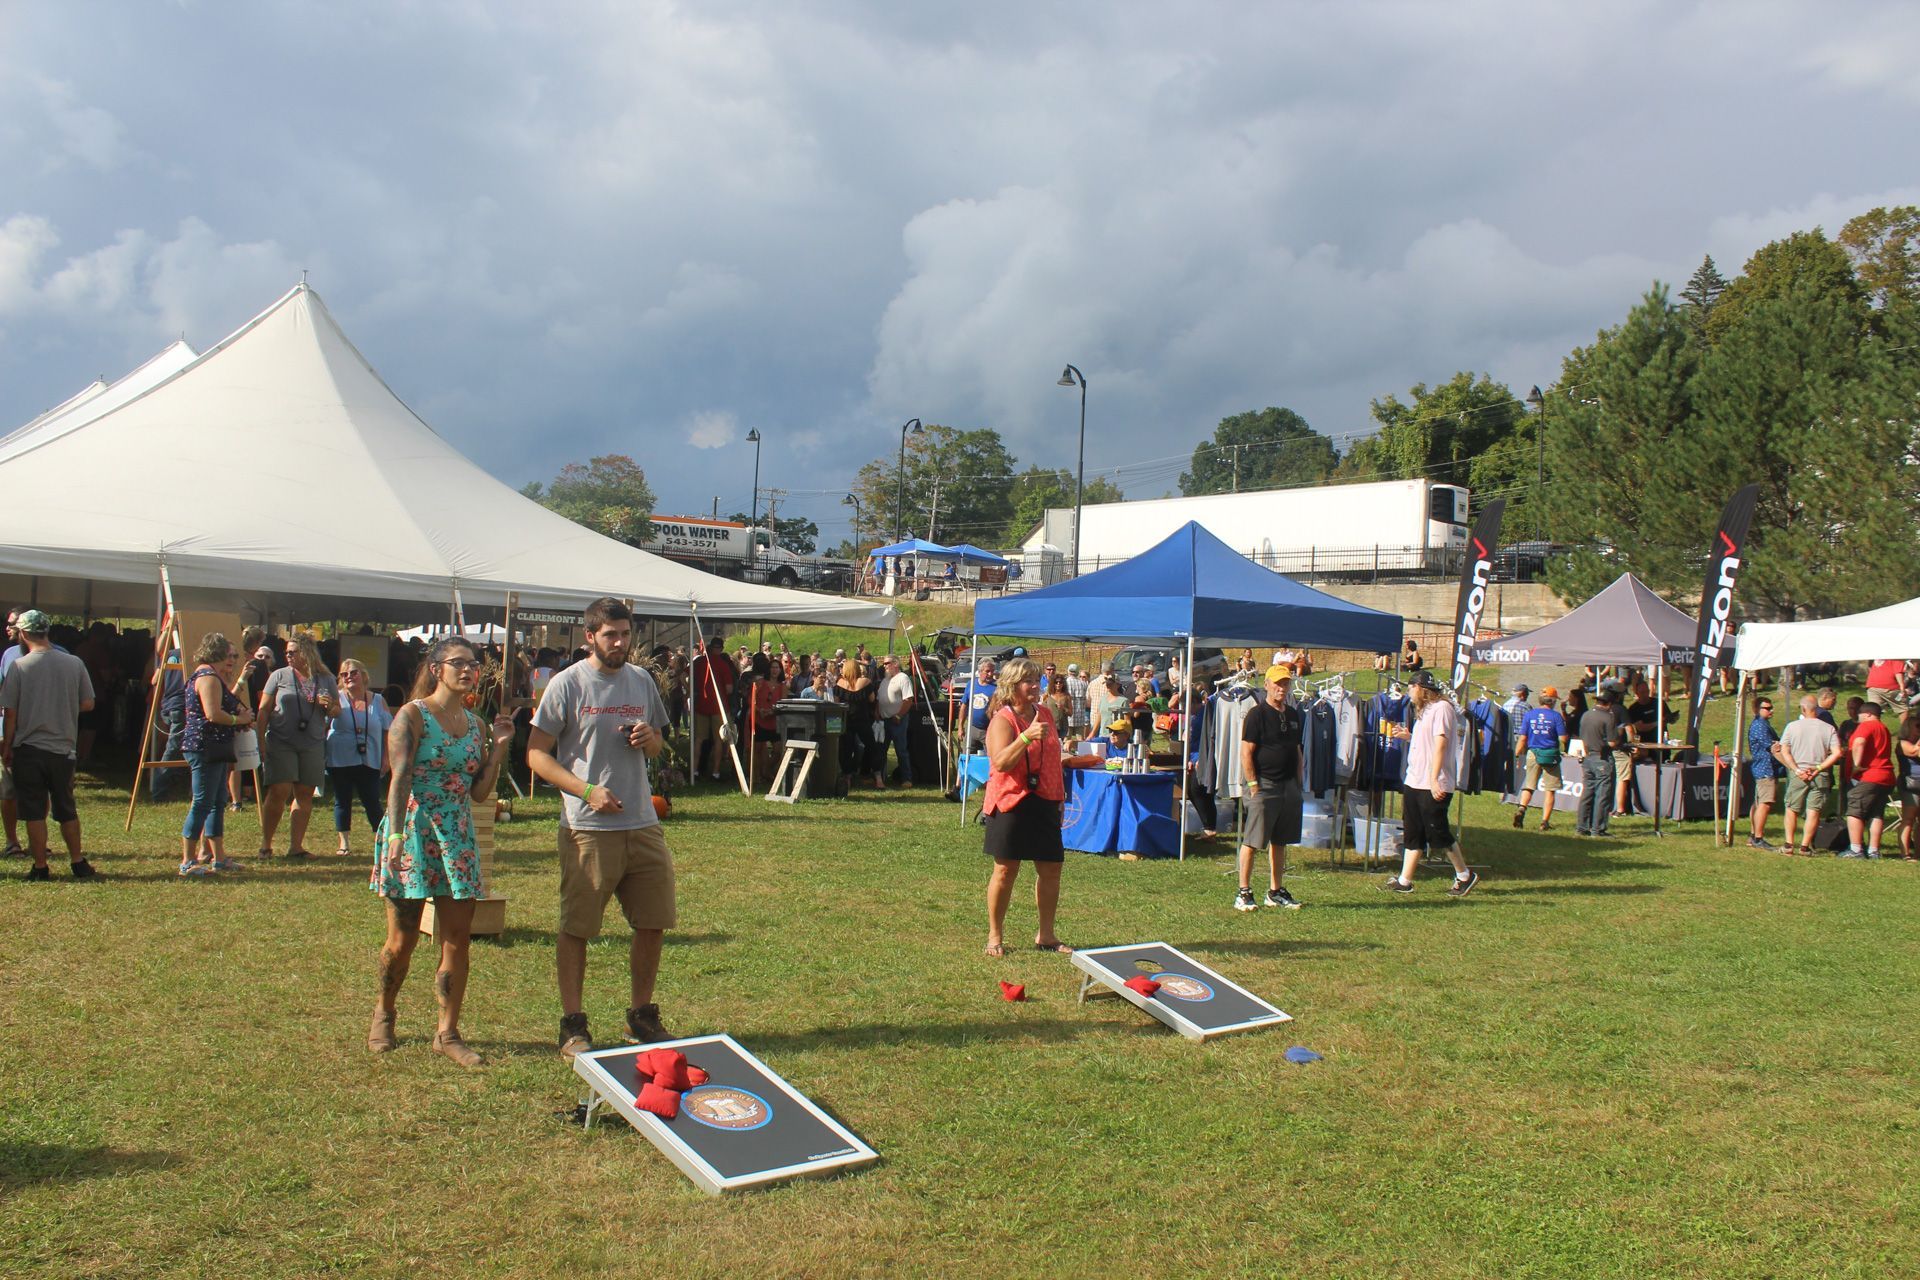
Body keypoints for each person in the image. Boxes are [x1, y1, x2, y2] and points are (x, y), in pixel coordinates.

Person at [526, 598, 676, 1060]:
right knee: (579, 927)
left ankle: (641, 1017)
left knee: (653, 921)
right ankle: (573, 1025)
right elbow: (536, 755)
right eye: (611, 635)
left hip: (642, 823)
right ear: (590, 636)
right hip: (587, 827)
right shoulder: (567, 684)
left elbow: (657, 744)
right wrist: (585, 790)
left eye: (626, 634)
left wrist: (653, 740)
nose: (621, 643)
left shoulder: (641, 680)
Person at [368, 637, 513, 1066]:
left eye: (474, 664)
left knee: (456, 941)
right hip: (412, 830)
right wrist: (394, 837)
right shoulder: (411, 717)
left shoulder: (476, 724)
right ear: (436, 668)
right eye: (458, 663)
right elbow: (399, 779)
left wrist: (500, 746)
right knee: (402, 940)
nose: (468, 671)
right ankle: (385, 1012)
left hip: (457, 836)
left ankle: (447, 1032)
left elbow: (482, 792)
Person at [980, 657, 1070, 958]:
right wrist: (1024, 736)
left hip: (1044, 799)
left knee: (1051, 869)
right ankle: (995, 936)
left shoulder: (1045, 713)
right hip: (1011, 801)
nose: (1035, 685)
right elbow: (1001, 763)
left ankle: (1046, 935)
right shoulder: (1002, 720)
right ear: (1012, 686)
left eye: (1036, 680)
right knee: (1006, 870)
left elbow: (1053, 760)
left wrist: (1059, 798)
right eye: (1028, 681)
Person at [0, 610, 97, 880]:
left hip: (29, 748)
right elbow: (88, 702)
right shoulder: (74, 663)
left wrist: (7, 746)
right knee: (66, 807)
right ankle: (77, 861)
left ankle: (40, 865)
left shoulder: (19, 666)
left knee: (33, 810)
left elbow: (10, 712)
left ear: (24, 634)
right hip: (64, 748)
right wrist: (63, 706)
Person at [1382, 672, 1477, 895]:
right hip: (1415, 779)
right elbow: (1425, 740)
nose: (1408, 692)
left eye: (1410, 687)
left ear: (1421, 688)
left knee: (1438, 832)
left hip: (1432, 782)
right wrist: (1409, 736)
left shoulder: (1443, 708)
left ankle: (1465, 875)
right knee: (1413, 832)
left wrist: (1435, 779)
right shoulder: (1424, 711)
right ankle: (1404, 881)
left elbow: (1441, 743)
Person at [255, 634, 337, 859]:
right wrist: (260, 739)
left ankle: (296, 847)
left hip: (312, 743)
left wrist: (330, 706)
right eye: (287, 652)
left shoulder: (326, 678)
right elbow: (263, 710)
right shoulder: (278, 675)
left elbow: (337, 710)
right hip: (281, 741)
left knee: (304, 793)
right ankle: (266, 843)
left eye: (292, 652)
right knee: (279, 790)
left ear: (307, 652)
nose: (288, 655)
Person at [1233, 664, 1306, 911]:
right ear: (1266, 685)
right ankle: (1244, 892)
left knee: (1281, 841)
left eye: (1285, 683)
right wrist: (1253, 784)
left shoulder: (1294, 715)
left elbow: (1297, 751)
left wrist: (1298, 781)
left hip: (1288, 786)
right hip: (1264, 785)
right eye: (1277, 683)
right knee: (1253, 841)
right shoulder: (1257, 714)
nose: (1281, 688)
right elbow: (1246, 752)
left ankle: (1275, 891)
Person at [179, 633, 252, 876]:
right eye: (229, 655)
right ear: (217, 653)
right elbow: (213, 714)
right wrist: (238, 719)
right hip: (205, 747)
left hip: (215, 747)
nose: (232, 660)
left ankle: (219, 858)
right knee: (202, 802)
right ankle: (188, 861)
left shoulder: (210, 676)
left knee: (217, 801)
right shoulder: (208, 677)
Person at [327, 659, 393, 856]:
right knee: (342, 799)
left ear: (364, 675)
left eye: (353, 672)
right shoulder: (335, 698)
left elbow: (388, 731)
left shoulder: (378, 700)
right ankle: (344, 842)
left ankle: (380, 839)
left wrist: (387, 758)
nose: (348, 677)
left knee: (372, 799)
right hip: (340, 758)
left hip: (369, 758)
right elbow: (324, 722)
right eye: (344, 674)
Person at [1776, 695, 1842, 856]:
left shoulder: (1792, 727)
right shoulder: (1828, 728)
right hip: (1819, 774)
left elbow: (1784, 750)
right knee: (1814, 810)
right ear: (1817, 710)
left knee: (1791, 808)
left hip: (1799, 773)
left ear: (1803, 709)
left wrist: (1796, 769)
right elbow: (1837, 753)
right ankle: (1805, 846)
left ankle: (1789, 844)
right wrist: (1819, 767)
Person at [1843, 698, 1895, 858]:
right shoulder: (1884, 728)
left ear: (1868, 714)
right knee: (1876, 814)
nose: (1857, 716)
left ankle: (1856, 849)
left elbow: (1859, 743)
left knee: (1855, 811)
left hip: (1869, 775)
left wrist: (1856, 765)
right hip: (1886, 776)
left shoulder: (1867, 725)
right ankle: (1874, 850)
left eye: (1860, 713)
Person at [1511, 689, 1568, 832]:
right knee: (1550, 790)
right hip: (1550, 755)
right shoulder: (1556, 716)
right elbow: (1563, 738)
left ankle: (1522, 809)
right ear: (1553, 701)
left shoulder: (1530, 715)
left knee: (1529, 786)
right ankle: (1544, 822)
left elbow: (1522, 738)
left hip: (1532, 753)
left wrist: (1517, 755)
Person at [1575, 684, 1625, 837]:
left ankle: (1582, 827)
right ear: (1609, 703)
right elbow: (1611, 742)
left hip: (1588, 757)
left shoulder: (1586, 715)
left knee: (1587, 793)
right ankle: (1598, 829)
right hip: (1602, 758)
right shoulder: (1608, 717)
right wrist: (1620, 737)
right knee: (1603, 795)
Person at [689, 636, 735, 781]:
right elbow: (729, 689)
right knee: (719, 740)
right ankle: (715, 772)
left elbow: (684, 674)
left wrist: (692, 690)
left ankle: (694, 770)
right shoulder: (722, 664)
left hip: (701, 705)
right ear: (720, 649)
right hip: (718, 707)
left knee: (699, 739)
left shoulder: (699, 662)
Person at [837, 657, 882, 787]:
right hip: (862, 720)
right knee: (872, 747)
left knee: (846, 750)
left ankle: (848, 777)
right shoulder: (866, 682)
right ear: (857, 669)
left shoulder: (840, 683)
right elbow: (872, 699)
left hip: (847, 721)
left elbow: (836, 703)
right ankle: (878, 777)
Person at [1746, 694, 1781, 850]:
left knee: (1759, 802)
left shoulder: (1763, 724)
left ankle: (1753, 835)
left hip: (1763, 768)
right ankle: (1758, 838)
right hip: (1765, 768)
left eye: (1771, 707)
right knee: (1765, 803)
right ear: (1757, 709)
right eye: (1767, 708)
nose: (1771, 710)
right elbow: (1772, 747)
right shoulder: (1760, 726)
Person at [876, 654, 916, 787]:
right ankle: (880, 778)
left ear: (896, 664)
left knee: (901, 750)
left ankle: (906, 779)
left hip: (897, 720)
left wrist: (899, 715)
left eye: (887, 663)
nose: (885, 666)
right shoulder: (885, 680)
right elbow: (879, 699)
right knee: (881, 750)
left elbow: (908, 700)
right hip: (884, 720)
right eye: (884, 664)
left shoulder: (903, 678)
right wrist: (877, 713)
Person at [1896, 708, 1920, 861]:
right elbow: (1915, 752)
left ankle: (1918, 853)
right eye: (1917, 726)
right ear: (1908, 727)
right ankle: (1905, 853)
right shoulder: (1902, 743)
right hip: (1911, 784)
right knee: (1908, 819)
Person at [964, 659, 998, 753]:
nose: (990, 674)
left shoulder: (996, 688)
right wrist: (960, 727)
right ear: (979, 672)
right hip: (972, 728)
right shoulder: (971, 684)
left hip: (988, 730)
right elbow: (964, 706)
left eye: (992, 671)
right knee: (968, 756)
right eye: (987, 671)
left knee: (990, 756)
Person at [1064, 663, 1089, 735]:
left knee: (1066, 740)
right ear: (1078, 672)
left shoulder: (1064, 683)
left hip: (1067, 718)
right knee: (1080, 741)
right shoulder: (1083, 684)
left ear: (1068, 671)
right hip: (1080, 718)